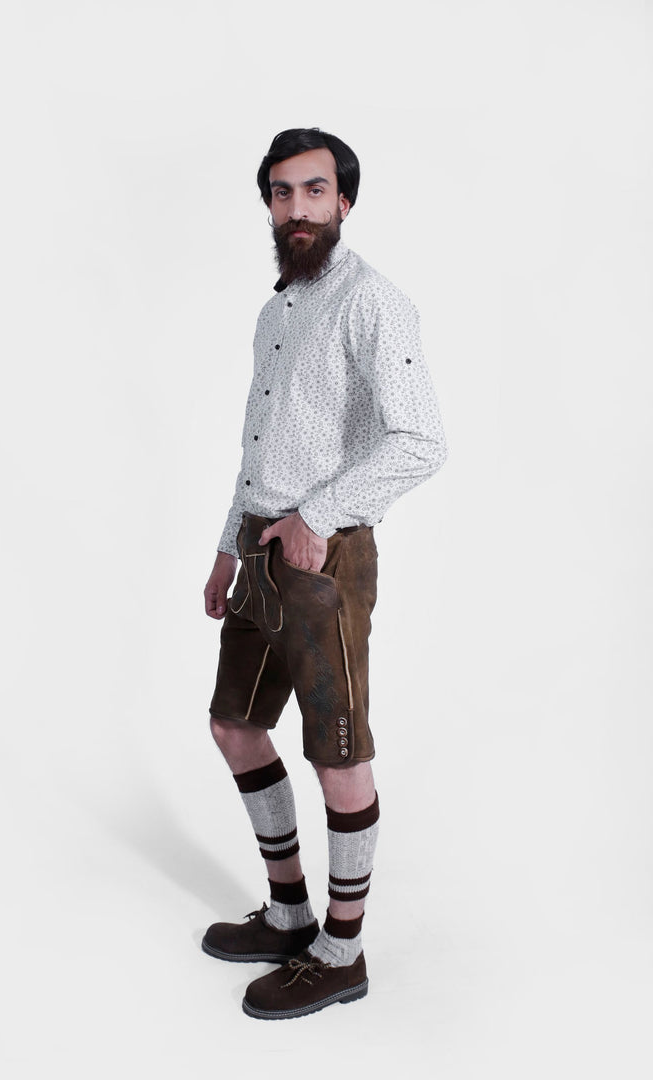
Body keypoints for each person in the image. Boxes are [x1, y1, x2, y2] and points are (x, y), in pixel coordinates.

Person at [202, 127, 447, 1020]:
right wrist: (230, 544)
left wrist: (316, 516)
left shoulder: (375, 303)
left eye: (313, 192)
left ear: (344, 202)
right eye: (281, 193)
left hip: (324, 559)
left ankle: (342, 954)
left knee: (337, 755)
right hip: (262, 551)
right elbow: (257, 445)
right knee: (235, 726)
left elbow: (420, 438)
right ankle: (289, 914)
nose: (296, 208)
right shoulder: (275, 312)